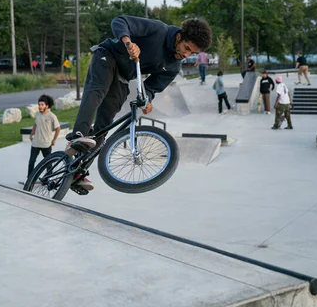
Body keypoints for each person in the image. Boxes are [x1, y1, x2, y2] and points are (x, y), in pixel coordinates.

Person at [67, 15, 212, 190]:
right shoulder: (159, 29)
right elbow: (120, 21)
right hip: (107, 56)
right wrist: (128, 43)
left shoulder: (174, 66)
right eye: (186, 48)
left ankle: (76, 171)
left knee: (105, 122)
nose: (186, 54)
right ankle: (78, 134)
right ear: (179, 37)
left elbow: (151, 87)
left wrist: (147, 100)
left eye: (192, 53)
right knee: (98, 91)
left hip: (123, 76)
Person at [21, 94, 61, 185]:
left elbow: (58, 128)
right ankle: (29, 180)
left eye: (42, 105)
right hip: (35, 143)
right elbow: (35, 125)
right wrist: (31, 135)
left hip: (46, 144)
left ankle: (48, 180)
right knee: (31, 162)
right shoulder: (38, 114)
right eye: (39, 104)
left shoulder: (52, 116)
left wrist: (54, 140)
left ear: (47, 106)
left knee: (48, 163)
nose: (40, 106)